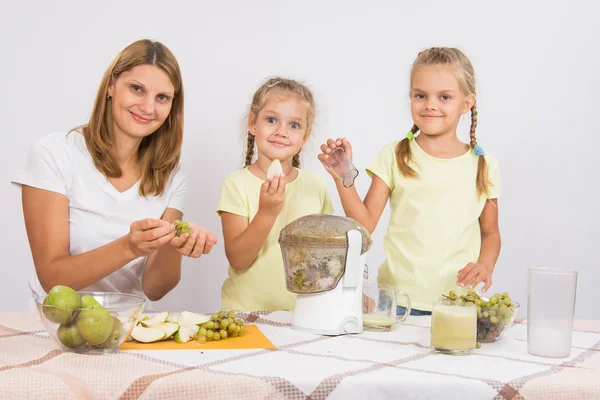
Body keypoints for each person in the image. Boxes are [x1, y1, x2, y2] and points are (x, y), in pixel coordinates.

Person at [13, 39, 217, 309]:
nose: (147, 107)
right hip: (58, 326)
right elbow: (52, 278)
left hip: (128, 329)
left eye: (162, 98)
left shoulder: (172, 172)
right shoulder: (54, 153)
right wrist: (130, 247)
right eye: (136, 89)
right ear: (111, 85)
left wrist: (172, 244)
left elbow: (154, 289)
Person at [319, 47, 501, 315]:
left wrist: (485, 265)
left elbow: (491, 233)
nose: (430, 104)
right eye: (420, 95)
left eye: (444, 97)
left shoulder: (483, 165)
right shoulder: (394, 155)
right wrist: (342, 177)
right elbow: (365, 224)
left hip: (459, 304)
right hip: (398, 302)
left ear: (466, 103)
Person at [217, 77, 333, 311]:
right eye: (271, 120)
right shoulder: (236, 184)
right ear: (253, 123)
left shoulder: (315, 186)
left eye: (294, 125)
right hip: (245, 314)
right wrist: (267, 213)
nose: (282, 132)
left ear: (305, 136)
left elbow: (328, 258)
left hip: (301, 314)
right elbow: (238, 260)